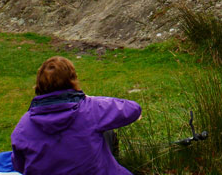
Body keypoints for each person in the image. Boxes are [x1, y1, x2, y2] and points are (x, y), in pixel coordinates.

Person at [11, 56, 142, 175]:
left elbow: (19, 166)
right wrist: (91, 99)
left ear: (39, 84)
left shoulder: (23, 126)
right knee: (106, 131)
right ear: (72, 80)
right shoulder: (91, 108)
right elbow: (134, 109)